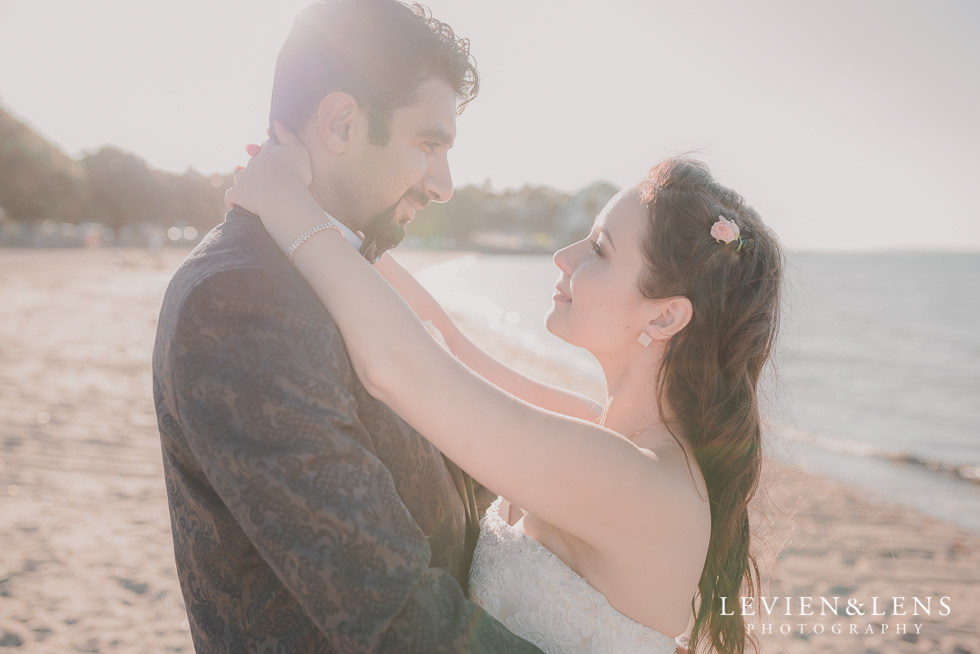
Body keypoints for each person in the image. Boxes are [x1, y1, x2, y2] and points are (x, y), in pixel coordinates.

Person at [225, 126, 783, 654]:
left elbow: (401, 368)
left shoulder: (637, 481)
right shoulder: (602, 431)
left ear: (665, 319)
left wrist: (280, 196)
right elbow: (446, 344)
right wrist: (326, 207)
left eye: (600, 249)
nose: (563, 257)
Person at [152, 1, 545, 651]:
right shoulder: (238, 302)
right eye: (429, 144)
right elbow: (395, 617)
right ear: (340, 122)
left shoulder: (344, 276)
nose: (444, 184)